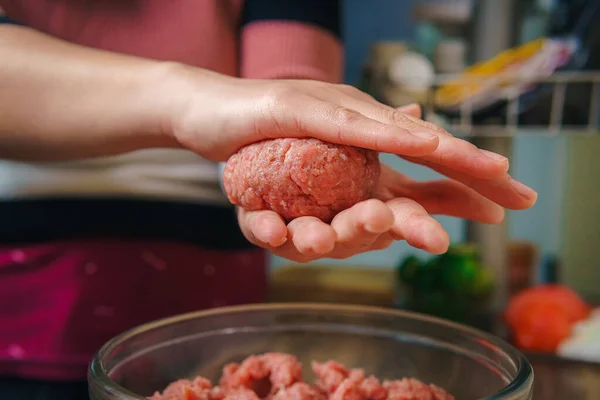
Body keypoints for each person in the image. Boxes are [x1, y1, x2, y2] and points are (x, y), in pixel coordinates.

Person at [0, 0, 537, 398]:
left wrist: (293, 115)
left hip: (217, 298)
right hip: (24, 299)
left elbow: (288, 76)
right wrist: (190, 101)